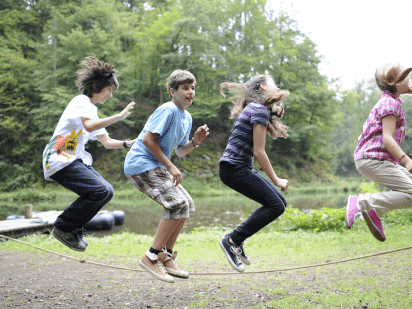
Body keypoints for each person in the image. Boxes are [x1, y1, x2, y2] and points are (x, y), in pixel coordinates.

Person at [124, 69, 209, 283]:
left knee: (185, 204)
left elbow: (180, 151)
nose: (190, 92)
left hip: (156, 166)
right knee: (175, 203)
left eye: (192, 88)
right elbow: (148, 140)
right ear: (172, 91)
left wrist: (196, 141)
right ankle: (151, 257)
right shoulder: (168, 109)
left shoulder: (186, 117)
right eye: (185, 88)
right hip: (141, 164)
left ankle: (166, 256)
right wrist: (171, 167)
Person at [43, 56, 135, 252]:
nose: (110, 95)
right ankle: (64, 227)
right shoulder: (81, 101)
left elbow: (107, 143)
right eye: (109, 90)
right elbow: (90, 125)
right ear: (96, 87)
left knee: (107, 191)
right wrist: (118, 117)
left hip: (72, 158)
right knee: (99, 190)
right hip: (59, 157)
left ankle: (73, 228)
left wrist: (130, 144)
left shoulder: (91, 110)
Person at [346, 63, 412, 241]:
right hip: (373, 160)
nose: (409, 81)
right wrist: (406, 161)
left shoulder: (390, 101)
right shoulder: (389, 104)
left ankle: (374, 210)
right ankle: (362, 202)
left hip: (378, 161)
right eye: (405, 78)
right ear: (395, 82)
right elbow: (387, 138)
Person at [217, 75, 290, 272]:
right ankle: (232, 240)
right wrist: (276, 179)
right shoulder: (258, 110)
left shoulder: (256, 109)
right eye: (274, 83)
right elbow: (259, 152)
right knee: (275, 205)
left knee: (280, 203)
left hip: (237, 168)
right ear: (264, 87)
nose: (277, 86)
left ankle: (236, 241)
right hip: (234, 169)